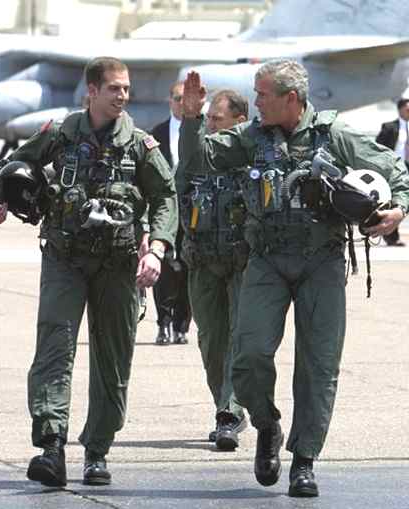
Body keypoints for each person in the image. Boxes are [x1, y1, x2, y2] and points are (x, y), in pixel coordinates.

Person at [179, 60, 409, 497]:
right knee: (247, 357)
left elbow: (395, 171)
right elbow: (200, 161)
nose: (257, 102)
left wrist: (398, 206)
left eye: (263, 95)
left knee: (318, 366)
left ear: (291, 99)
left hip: (320, 261)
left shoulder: (333, 135)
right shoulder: (251, 138)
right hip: (265, 260)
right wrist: (192, 120)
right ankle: (266, 425)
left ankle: (304, 461)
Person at [0, 56, 178, 488]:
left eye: (126, 88)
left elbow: (166, 198)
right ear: (91, 91)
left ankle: (97, 452)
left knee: (113, 359)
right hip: (65, 259)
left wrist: (157, 249)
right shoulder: (61, 133)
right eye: (114, 89)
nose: (123, 96)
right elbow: (10, 167)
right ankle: (51, 447)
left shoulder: (140, 146)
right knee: (55, 347)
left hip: (120, 265)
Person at [178, 89, 249, 450]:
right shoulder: (197, 156)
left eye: (216, 120)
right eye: (207, 120)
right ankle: (225, 406)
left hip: (242, 265)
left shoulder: (252, 153)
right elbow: (177, 189)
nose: (210, 126)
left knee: (240, 337)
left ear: (240, 122)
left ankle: (229, 413)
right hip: (203, 263)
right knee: (212, 341)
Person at [150, 81, 192, 345]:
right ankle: (163, 323)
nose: (181, 103)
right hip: (165, 211)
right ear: (170, 101)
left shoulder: (201, 134)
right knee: (163, 268)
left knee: (188, 268)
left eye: (185, 99)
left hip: (192, 212)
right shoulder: (157, 133)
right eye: (177, 98)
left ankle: (181, 326)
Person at [376, 97, 409, 246]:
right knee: (394, 202)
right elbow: (377, 147)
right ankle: (392, 237)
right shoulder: (389, 127)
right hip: (396, 170)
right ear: (401, 109)